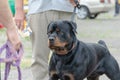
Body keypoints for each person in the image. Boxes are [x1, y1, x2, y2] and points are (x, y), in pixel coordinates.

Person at [14, 0, 79, 80]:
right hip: (39, 8)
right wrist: (19, 9)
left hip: (67, 9)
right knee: (39, 56)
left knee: (70, 56)